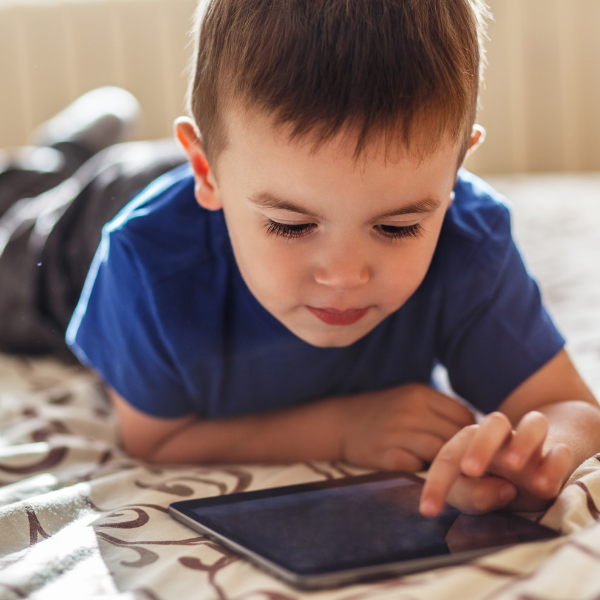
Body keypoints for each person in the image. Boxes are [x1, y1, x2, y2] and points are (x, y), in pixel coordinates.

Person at [62, 0, 600, 518]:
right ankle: (63, 154)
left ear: (456, 172)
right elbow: (155, 437)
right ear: (206, 172)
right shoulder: (145, 259)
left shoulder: (470, 243)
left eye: (398, 226)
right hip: (72, 237)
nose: (344, 277)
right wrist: (347, 428)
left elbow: (573, 410)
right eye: (290, 225)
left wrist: (534, 457)